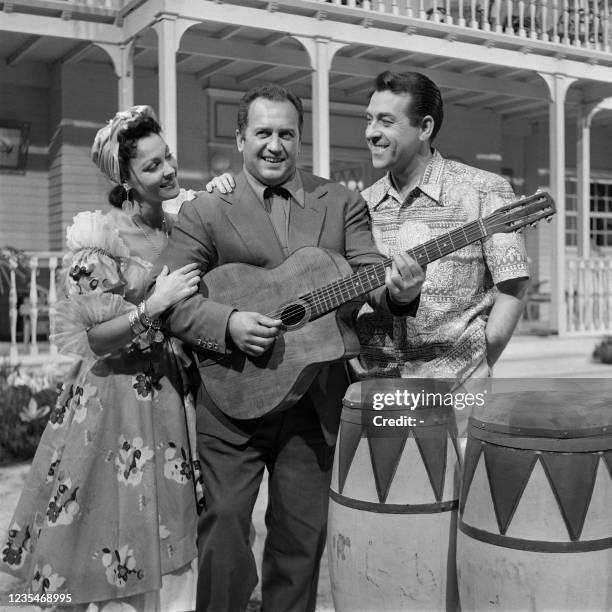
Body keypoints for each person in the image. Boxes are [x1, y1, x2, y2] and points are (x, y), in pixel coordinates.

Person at [152, 84, 424, 612]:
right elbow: (170, 302)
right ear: (241, 137)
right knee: (225, 530)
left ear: (300, 139)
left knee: (301, 541)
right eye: (263, 133)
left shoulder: (340, 201)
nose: (274, 145)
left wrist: (396, 292)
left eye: (286, 134)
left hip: (314, 398)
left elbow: (369, 272)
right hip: (231, 399)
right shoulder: (205, 211)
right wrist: (227, 322)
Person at [0, 105, 203, 611]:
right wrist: (152, 306)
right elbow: (94, 336)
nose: (169, 171)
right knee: (113, 520)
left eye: (169, 158)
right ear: (127, 179)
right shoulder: (102, 237)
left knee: (171, 522)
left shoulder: (182, 227)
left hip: (173, 393)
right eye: (152, 167)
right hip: (114, 398)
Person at [351, 70, 529, 387]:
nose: (371, 132)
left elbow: (512, 287)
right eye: (368, 120)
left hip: (457, 392)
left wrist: (484, 358)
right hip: (375, 391)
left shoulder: (485, 190)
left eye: (385, 121)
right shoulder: (360, 205)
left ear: (425, 127)